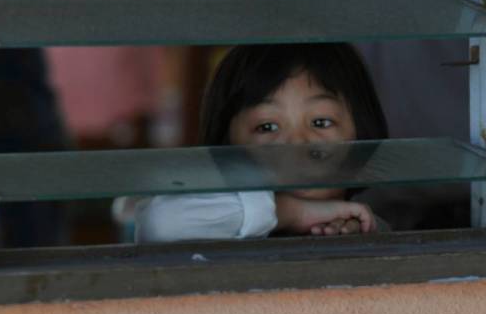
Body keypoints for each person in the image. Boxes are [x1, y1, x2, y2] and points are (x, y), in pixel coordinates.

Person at [135, 43, 389, 243]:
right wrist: (289, 213)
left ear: (362, 130)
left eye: (321, 122)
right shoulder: (212, 220)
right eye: (267, 127)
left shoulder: (367, 227)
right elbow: (159, 223)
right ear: (226, 143)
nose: (297, 143)